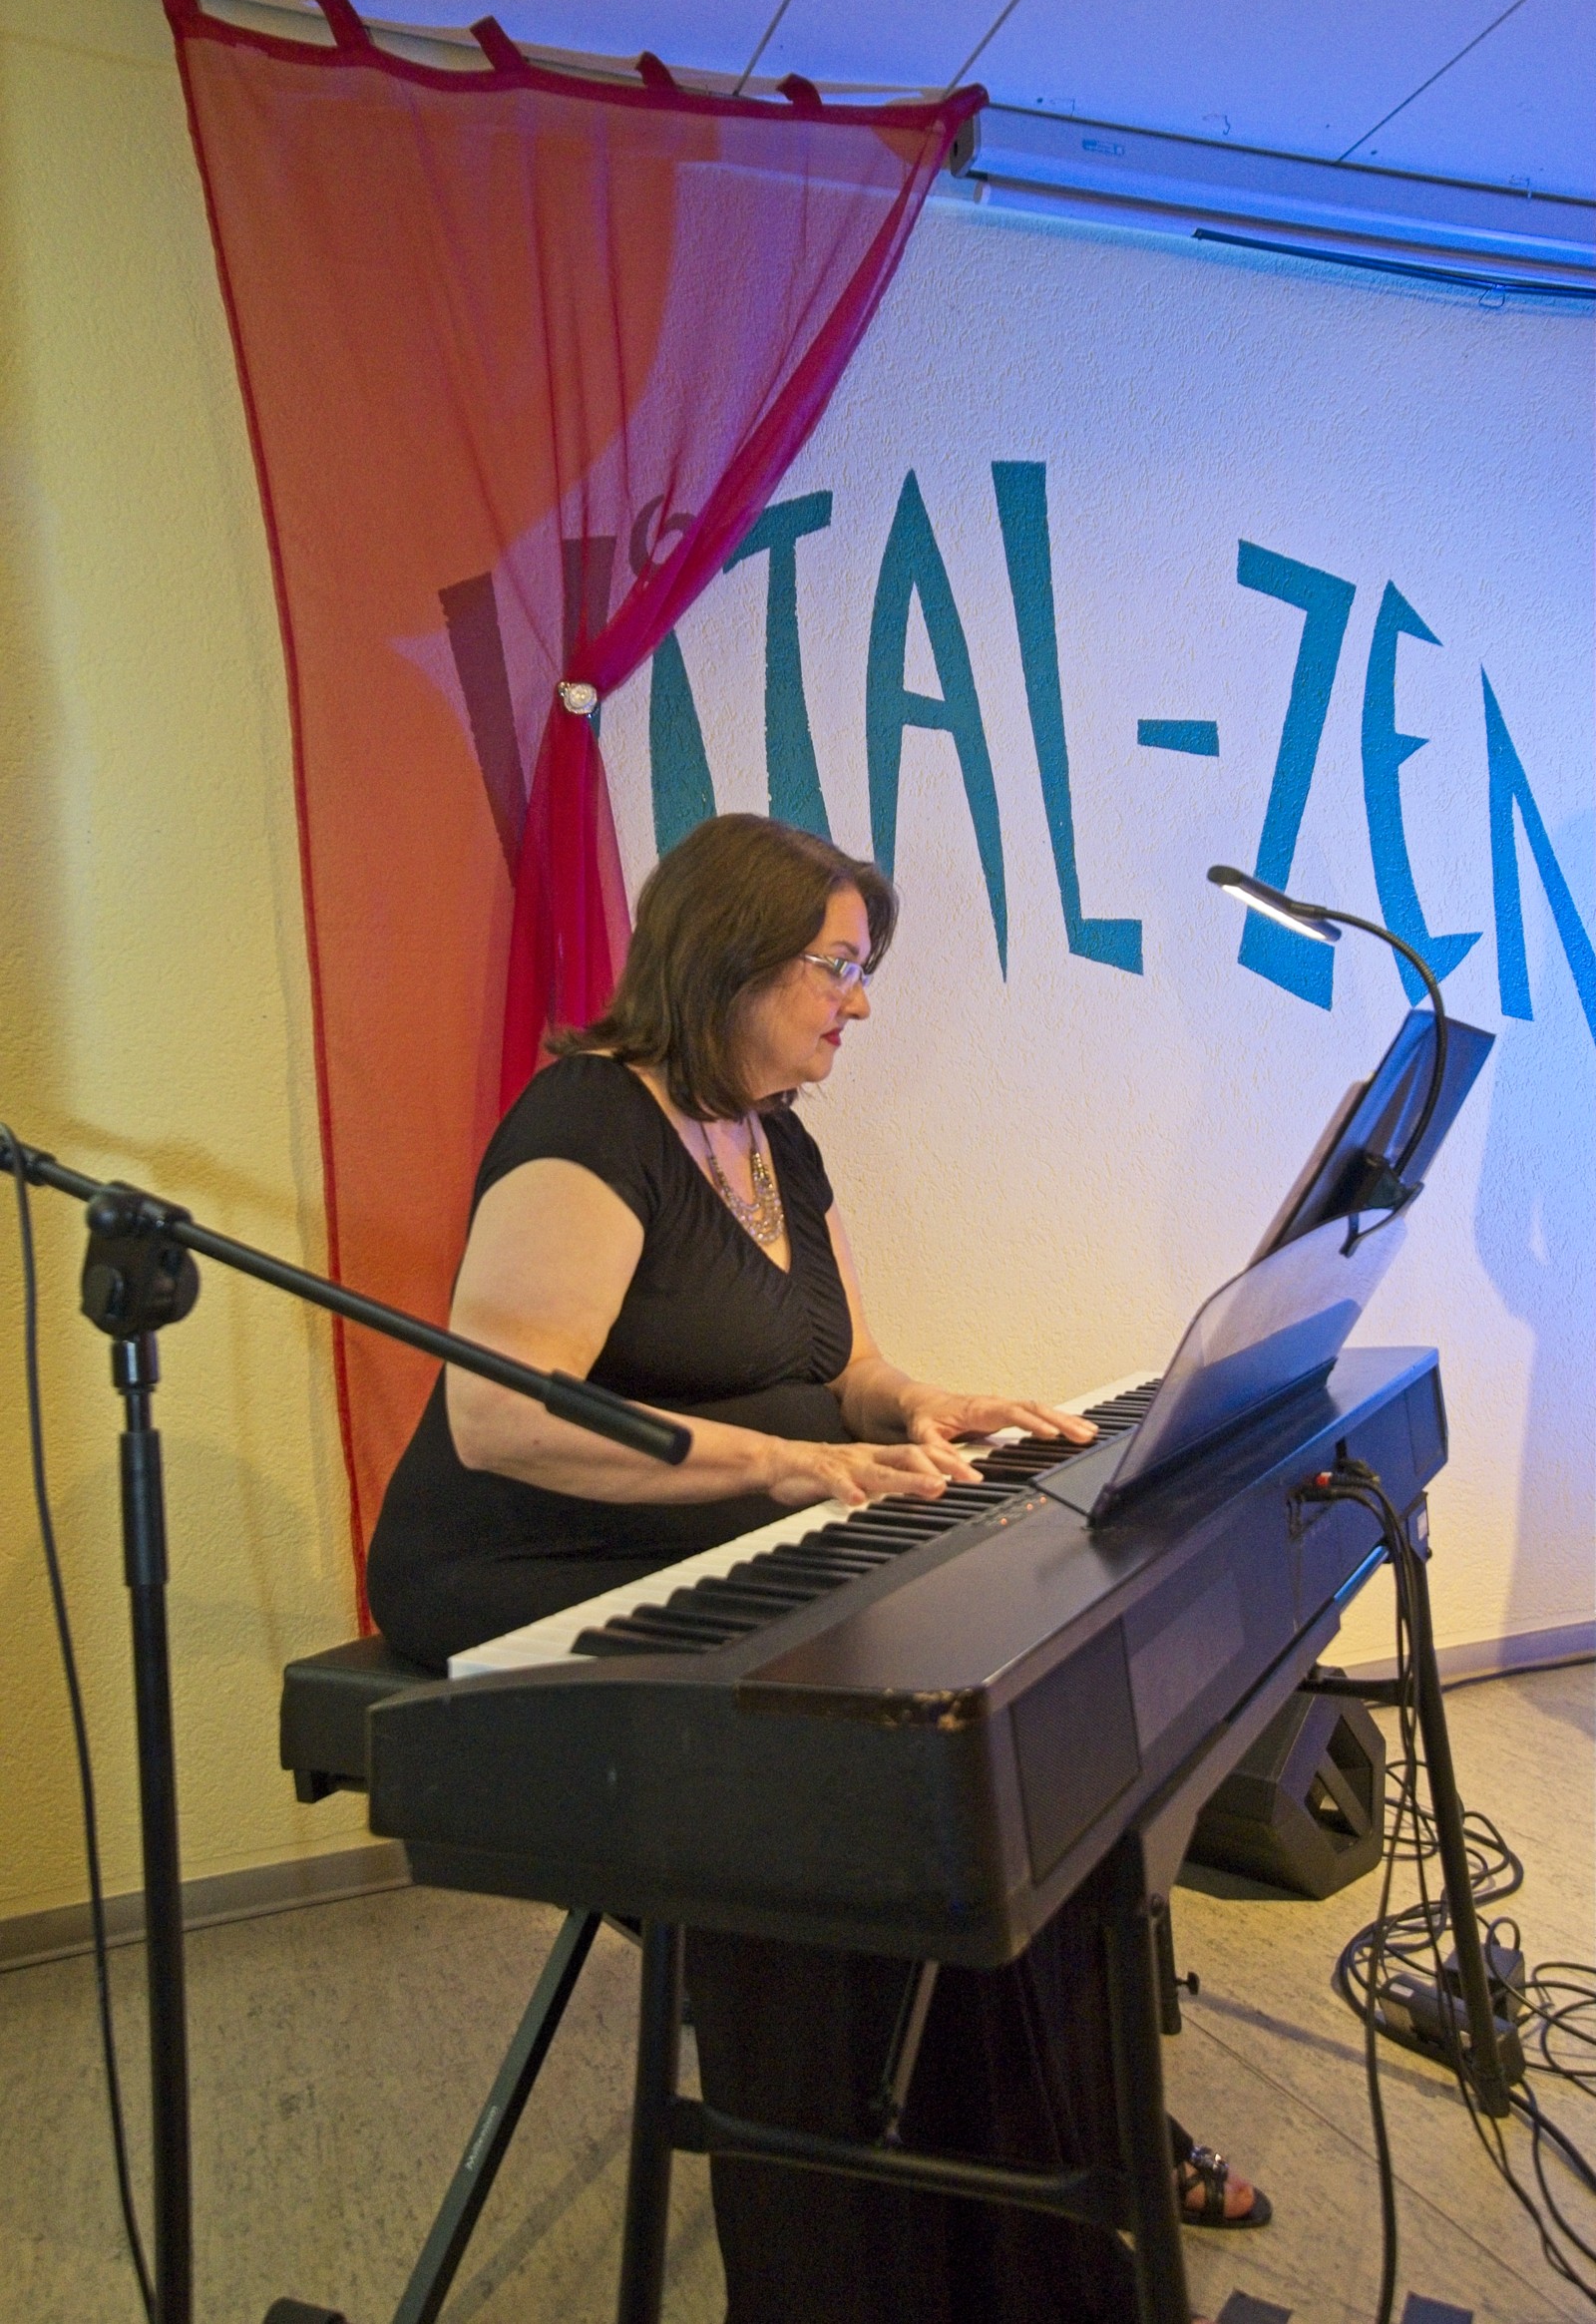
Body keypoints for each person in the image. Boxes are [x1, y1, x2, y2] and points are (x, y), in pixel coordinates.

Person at [366, 813, 1266, 2323]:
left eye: (862, 969)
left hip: (730, 1530)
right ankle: (865, 2231)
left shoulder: (776, 1133)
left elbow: (841, 1367)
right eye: (836, 967)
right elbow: (505, 1419)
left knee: (990, 1749)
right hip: (534, 1560)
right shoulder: (586, 1122)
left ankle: (1042, 2156)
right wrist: (790, 1466)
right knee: (834, 1799)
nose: (859, 1002)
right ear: (728, 959)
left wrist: (919, 1404)